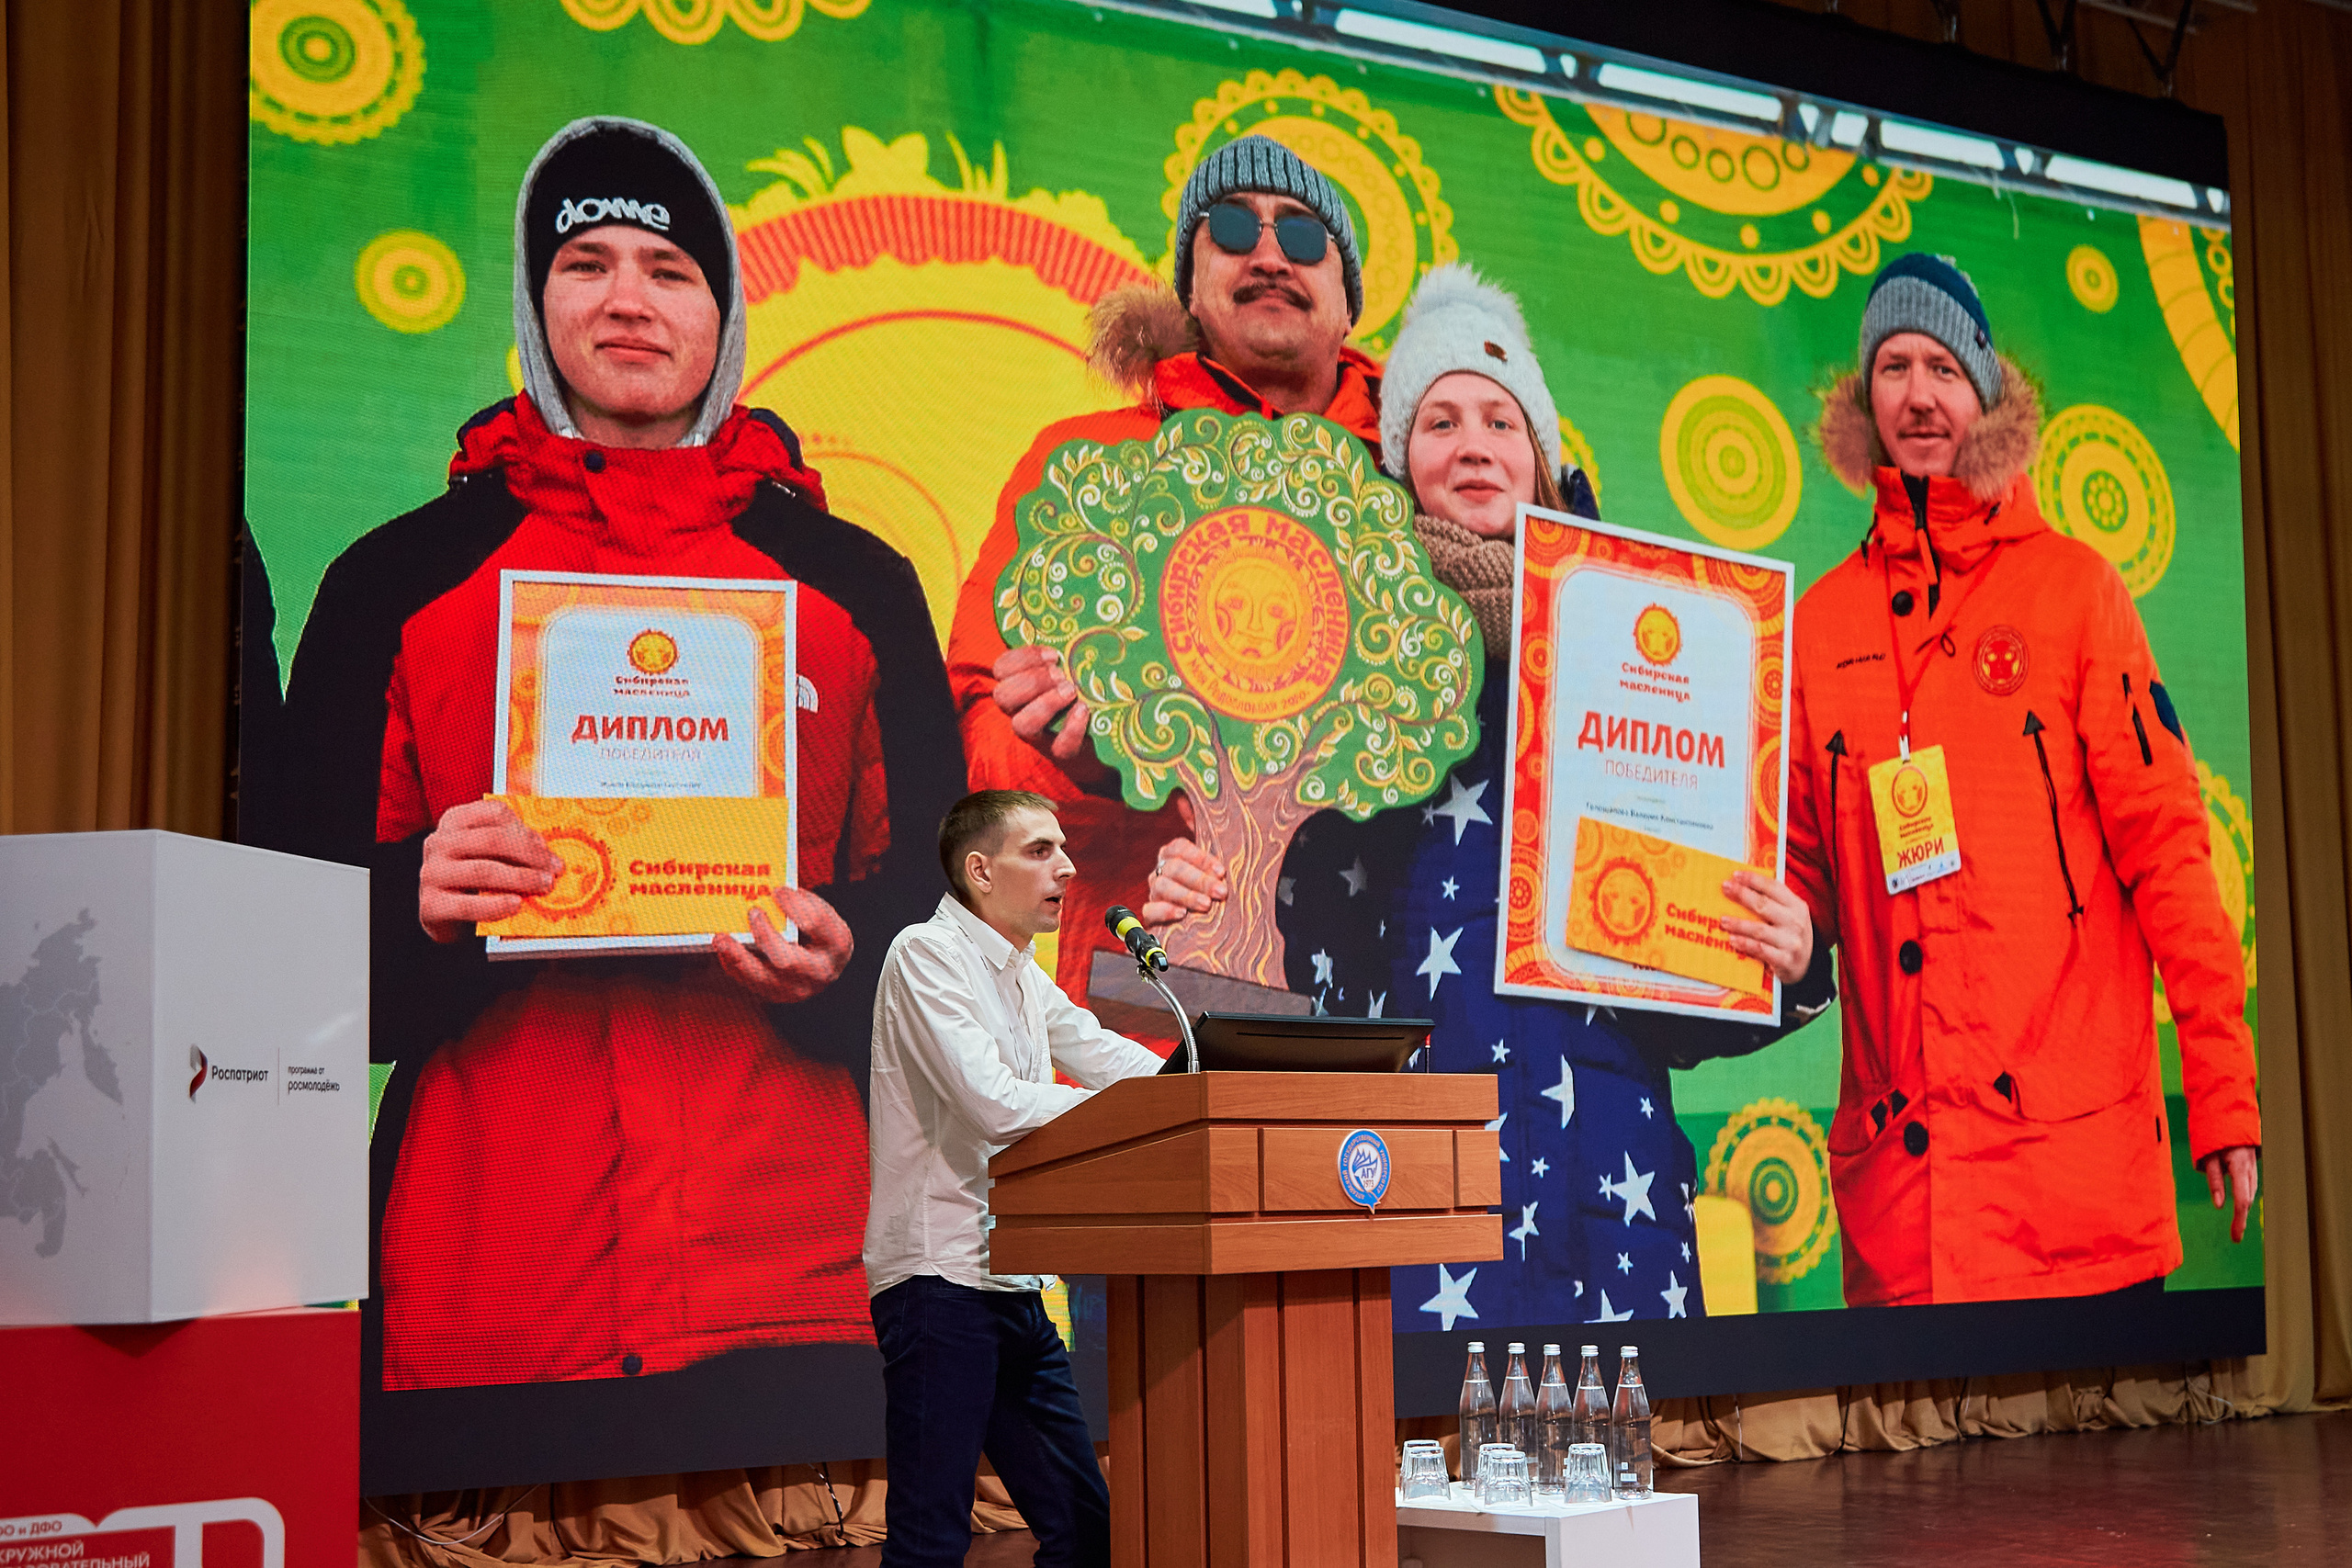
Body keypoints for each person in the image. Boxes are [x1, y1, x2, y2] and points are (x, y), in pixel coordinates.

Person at [274, 117, 963, 1387]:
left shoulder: (857, 583)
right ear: (537, 303)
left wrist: (847, 950)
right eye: (586, 261)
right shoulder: (396, 579)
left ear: (726, 311)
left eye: (671, 269)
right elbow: (270, 951)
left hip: (798, 1262)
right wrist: (406, 902)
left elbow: (954, 925)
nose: (629, 298)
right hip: (491, 1275)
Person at [1147, 265, 1830, 1325]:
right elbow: (1286, 959)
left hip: (1613, 1195)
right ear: (1397, 459)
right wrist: (1207, 912)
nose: (1473, 444)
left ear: (1544, 456)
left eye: (1502, 420)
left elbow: (1685, 1006)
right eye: (1440, 419)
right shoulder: (1329, 665)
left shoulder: (1658, 655)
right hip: (1412, 1195)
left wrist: (1781, 963)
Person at [1790, 252, 2261, 1305]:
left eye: (1943, 368)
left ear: (1985, 392)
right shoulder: (1816, 626)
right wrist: (1782, 928)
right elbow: (1802, 872)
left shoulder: (2077, 594)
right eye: (1893, 366)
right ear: (1864, 400)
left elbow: (2170, 858)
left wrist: (2225, 1098)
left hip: (2072, 1201)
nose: (1917, 394)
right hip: (1902, 1221)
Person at [946, 135, 1382, 1020]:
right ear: (1190, 284)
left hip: (1378, 995)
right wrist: (1095, 756)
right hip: (1137, 999)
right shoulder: (1079, 467)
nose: (1267, 254)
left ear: (1346, 302)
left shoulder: (1413, 489)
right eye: (1231, 228)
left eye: (1302, 238)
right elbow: (980, 734)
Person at [865, 790, 1166, 1566]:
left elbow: (1101, 1051)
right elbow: (992, 1102)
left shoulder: (1024, 975)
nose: (1066, 866)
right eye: (1039, 850)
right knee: (931, 1540)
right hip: (937, 1282)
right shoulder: (924, 954)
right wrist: (1115, 1111)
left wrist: (1194, 1085)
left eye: (1062, 848)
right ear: (980, 870)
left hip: (1012, 1284)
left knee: (1085, 1525)